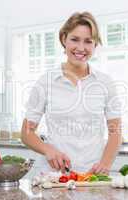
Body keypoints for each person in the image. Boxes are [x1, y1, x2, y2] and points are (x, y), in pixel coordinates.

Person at [21, 12, 122, 174]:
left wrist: (105, 164)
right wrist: (49, 150)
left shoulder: (105, 83)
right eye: (74, 39)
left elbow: (115, 132)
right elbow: (27, 133)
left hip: (93, 176)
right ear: (63, 39)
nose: (81, 48)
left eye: (88, 41)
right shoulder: (46, 82)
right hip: (54, 177)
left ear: (95, 45)